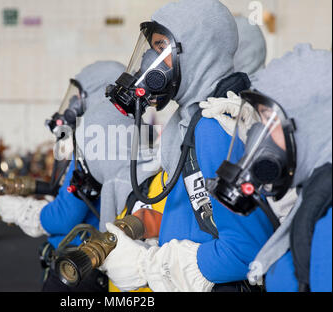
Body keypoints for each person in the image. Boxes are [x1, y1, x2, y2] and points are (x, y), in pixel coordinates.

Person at [101, 0, 273, 292]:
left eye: (160, 49)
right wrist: (158, 224)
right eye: (151, 49)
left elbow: (247, 249)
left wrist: (149, 266)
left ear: (197, 51)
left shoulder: (215, 127)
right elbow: (210, 217)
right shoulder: (190, 122)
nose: (148, 62)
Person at [206, 44, 332, 292]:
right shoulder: (314, 196)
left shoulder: (326, 221)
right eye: (258, 121)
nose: (257, 136)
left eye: (268, 122)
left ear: (310, 127)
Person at [0, 61, 127, 291]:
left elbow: (66, 217)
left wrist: (23, 212)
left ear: (97, 96)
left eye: (78, 97)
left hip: (78, 268)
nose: (73, 105)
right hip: (100, 269)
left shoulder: (95, 145)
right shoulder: (125, 137)